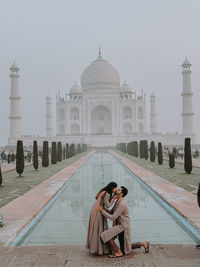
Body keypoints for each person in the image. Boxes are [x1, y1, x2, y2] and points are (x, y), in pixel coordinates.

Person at [99, 186, 149, 257]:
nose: (117, 191)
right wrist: (103, 209)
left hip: (123, 226)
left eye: (119, 190)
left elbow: (113, 217)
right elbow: (112, 211)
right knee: (126, 247)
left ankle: (118, 251)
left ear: (121, 194)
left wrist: (102, 211)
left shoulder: (122, 204)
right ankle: (143, 243)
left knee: (105, 235)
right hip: (120, 225)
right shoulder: (118, 201)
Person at [86, 182, 118, 255]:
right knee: (99, 230)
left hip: (97, 210)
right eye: (115, 188)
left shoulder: (105, 192)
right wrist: (114, 198)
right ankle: (99, 249)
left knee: (98, 230)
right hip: (98, 212)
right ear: (112, 188)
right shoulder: (106, 194)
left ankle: (98, 249)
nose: (116, 189)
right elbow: (108, 205)